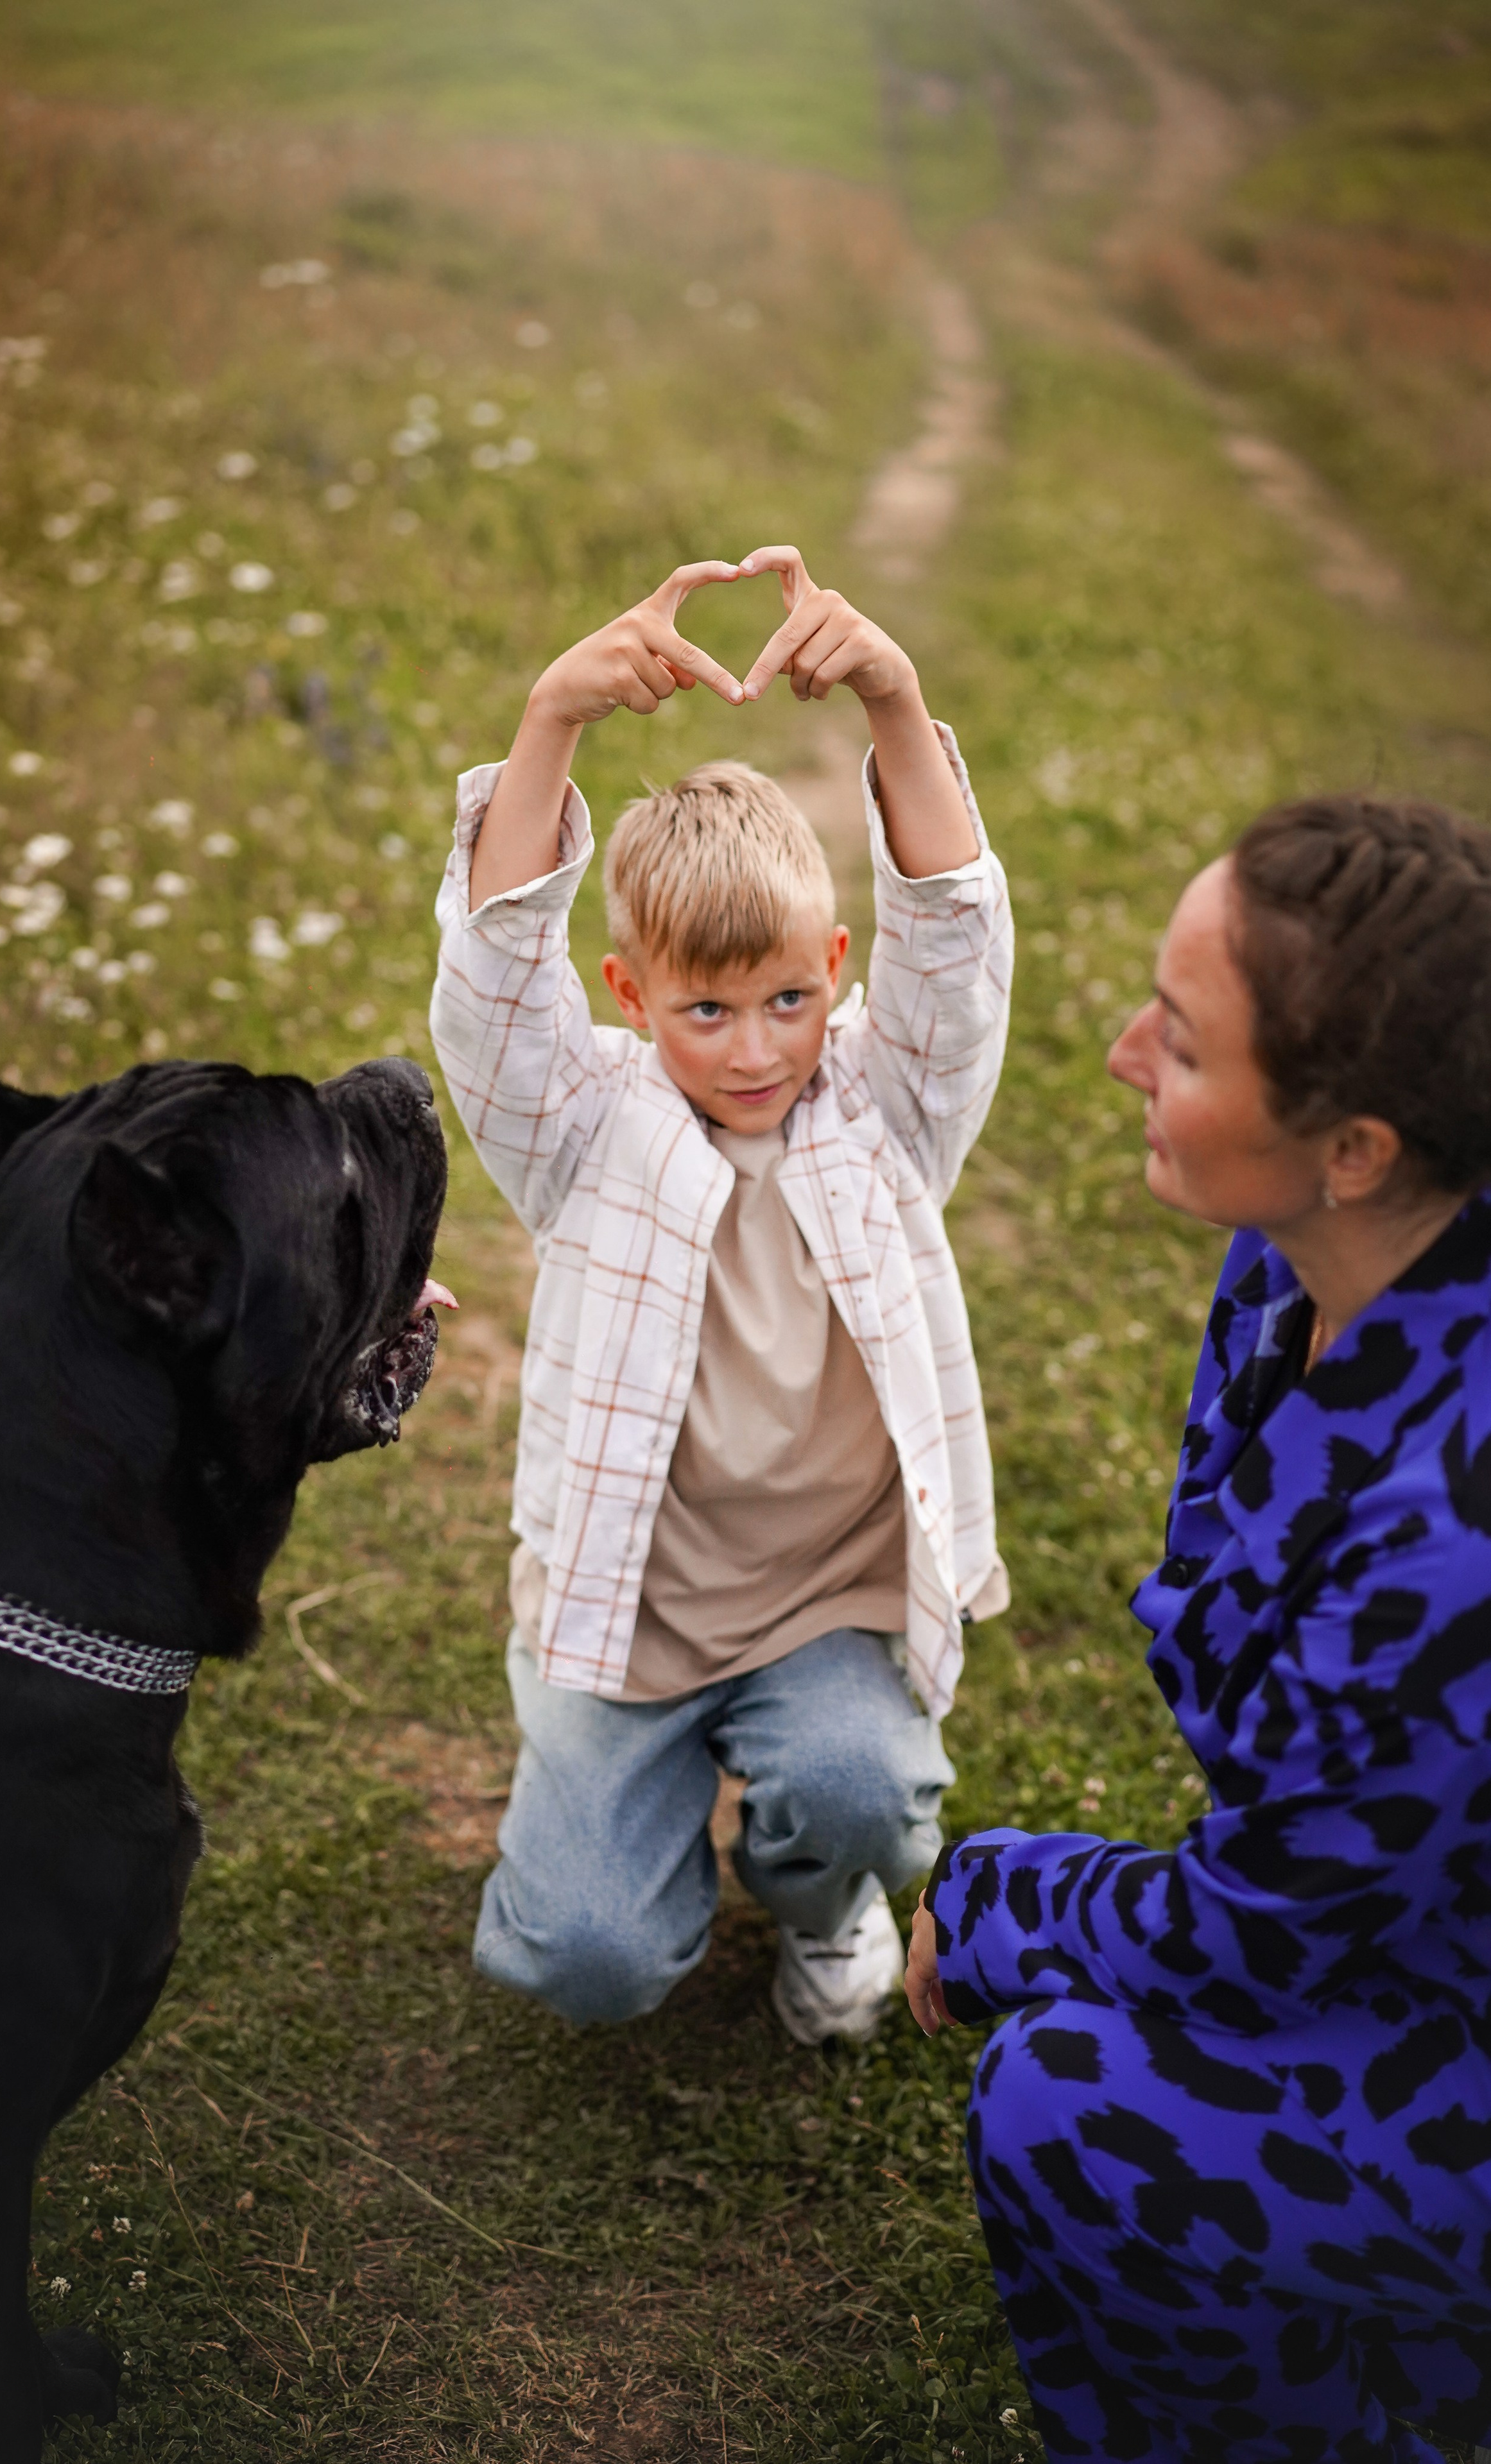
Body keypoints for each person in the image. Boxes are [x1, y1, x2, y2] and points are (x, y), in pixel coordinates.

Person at [906, 793, 1491, 2460]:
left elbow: (1264, 1927)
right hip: (1402, 1924)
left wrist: (1002, 1892)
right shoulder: (1303, 1255)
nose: (1115, 1056)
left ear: (1357, 1144)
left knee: (1065, 2107)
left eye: (1179, 1041)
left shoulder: (1452, 1536)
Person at [430, 545, 1012, 2043]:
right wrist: (551, 716)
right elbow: (495, 987)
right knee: (590, 1963)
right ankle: (626, 1819)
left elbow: (952, 939)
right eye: (703, 1009)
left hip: (822, 1597)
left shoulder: (881, 1110)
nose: (753, 1048)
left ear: (831, 969)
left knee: (862, 1797)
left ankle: (820, 1899)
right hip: (629, 1609)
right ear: (630, 997)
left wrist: (891, 692)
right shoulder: (585, 1128)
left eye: (785, 1001)